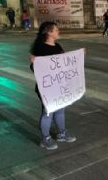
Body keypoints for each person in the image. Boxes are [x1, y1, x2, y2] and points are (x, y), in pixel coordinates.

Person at [29, 22, 76, 150]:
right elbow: (35, 69)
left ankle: (61, 133)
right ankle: (45, 139)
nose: (58, 31)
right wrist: (34, 63)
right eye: (56, 30)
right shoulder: (40, 48)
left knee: (60, 110)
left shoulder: (57, 46)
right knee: (48, 112)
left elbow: (65, 63)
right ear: (49, 32)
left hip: (59, 85)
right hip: (46, 87)